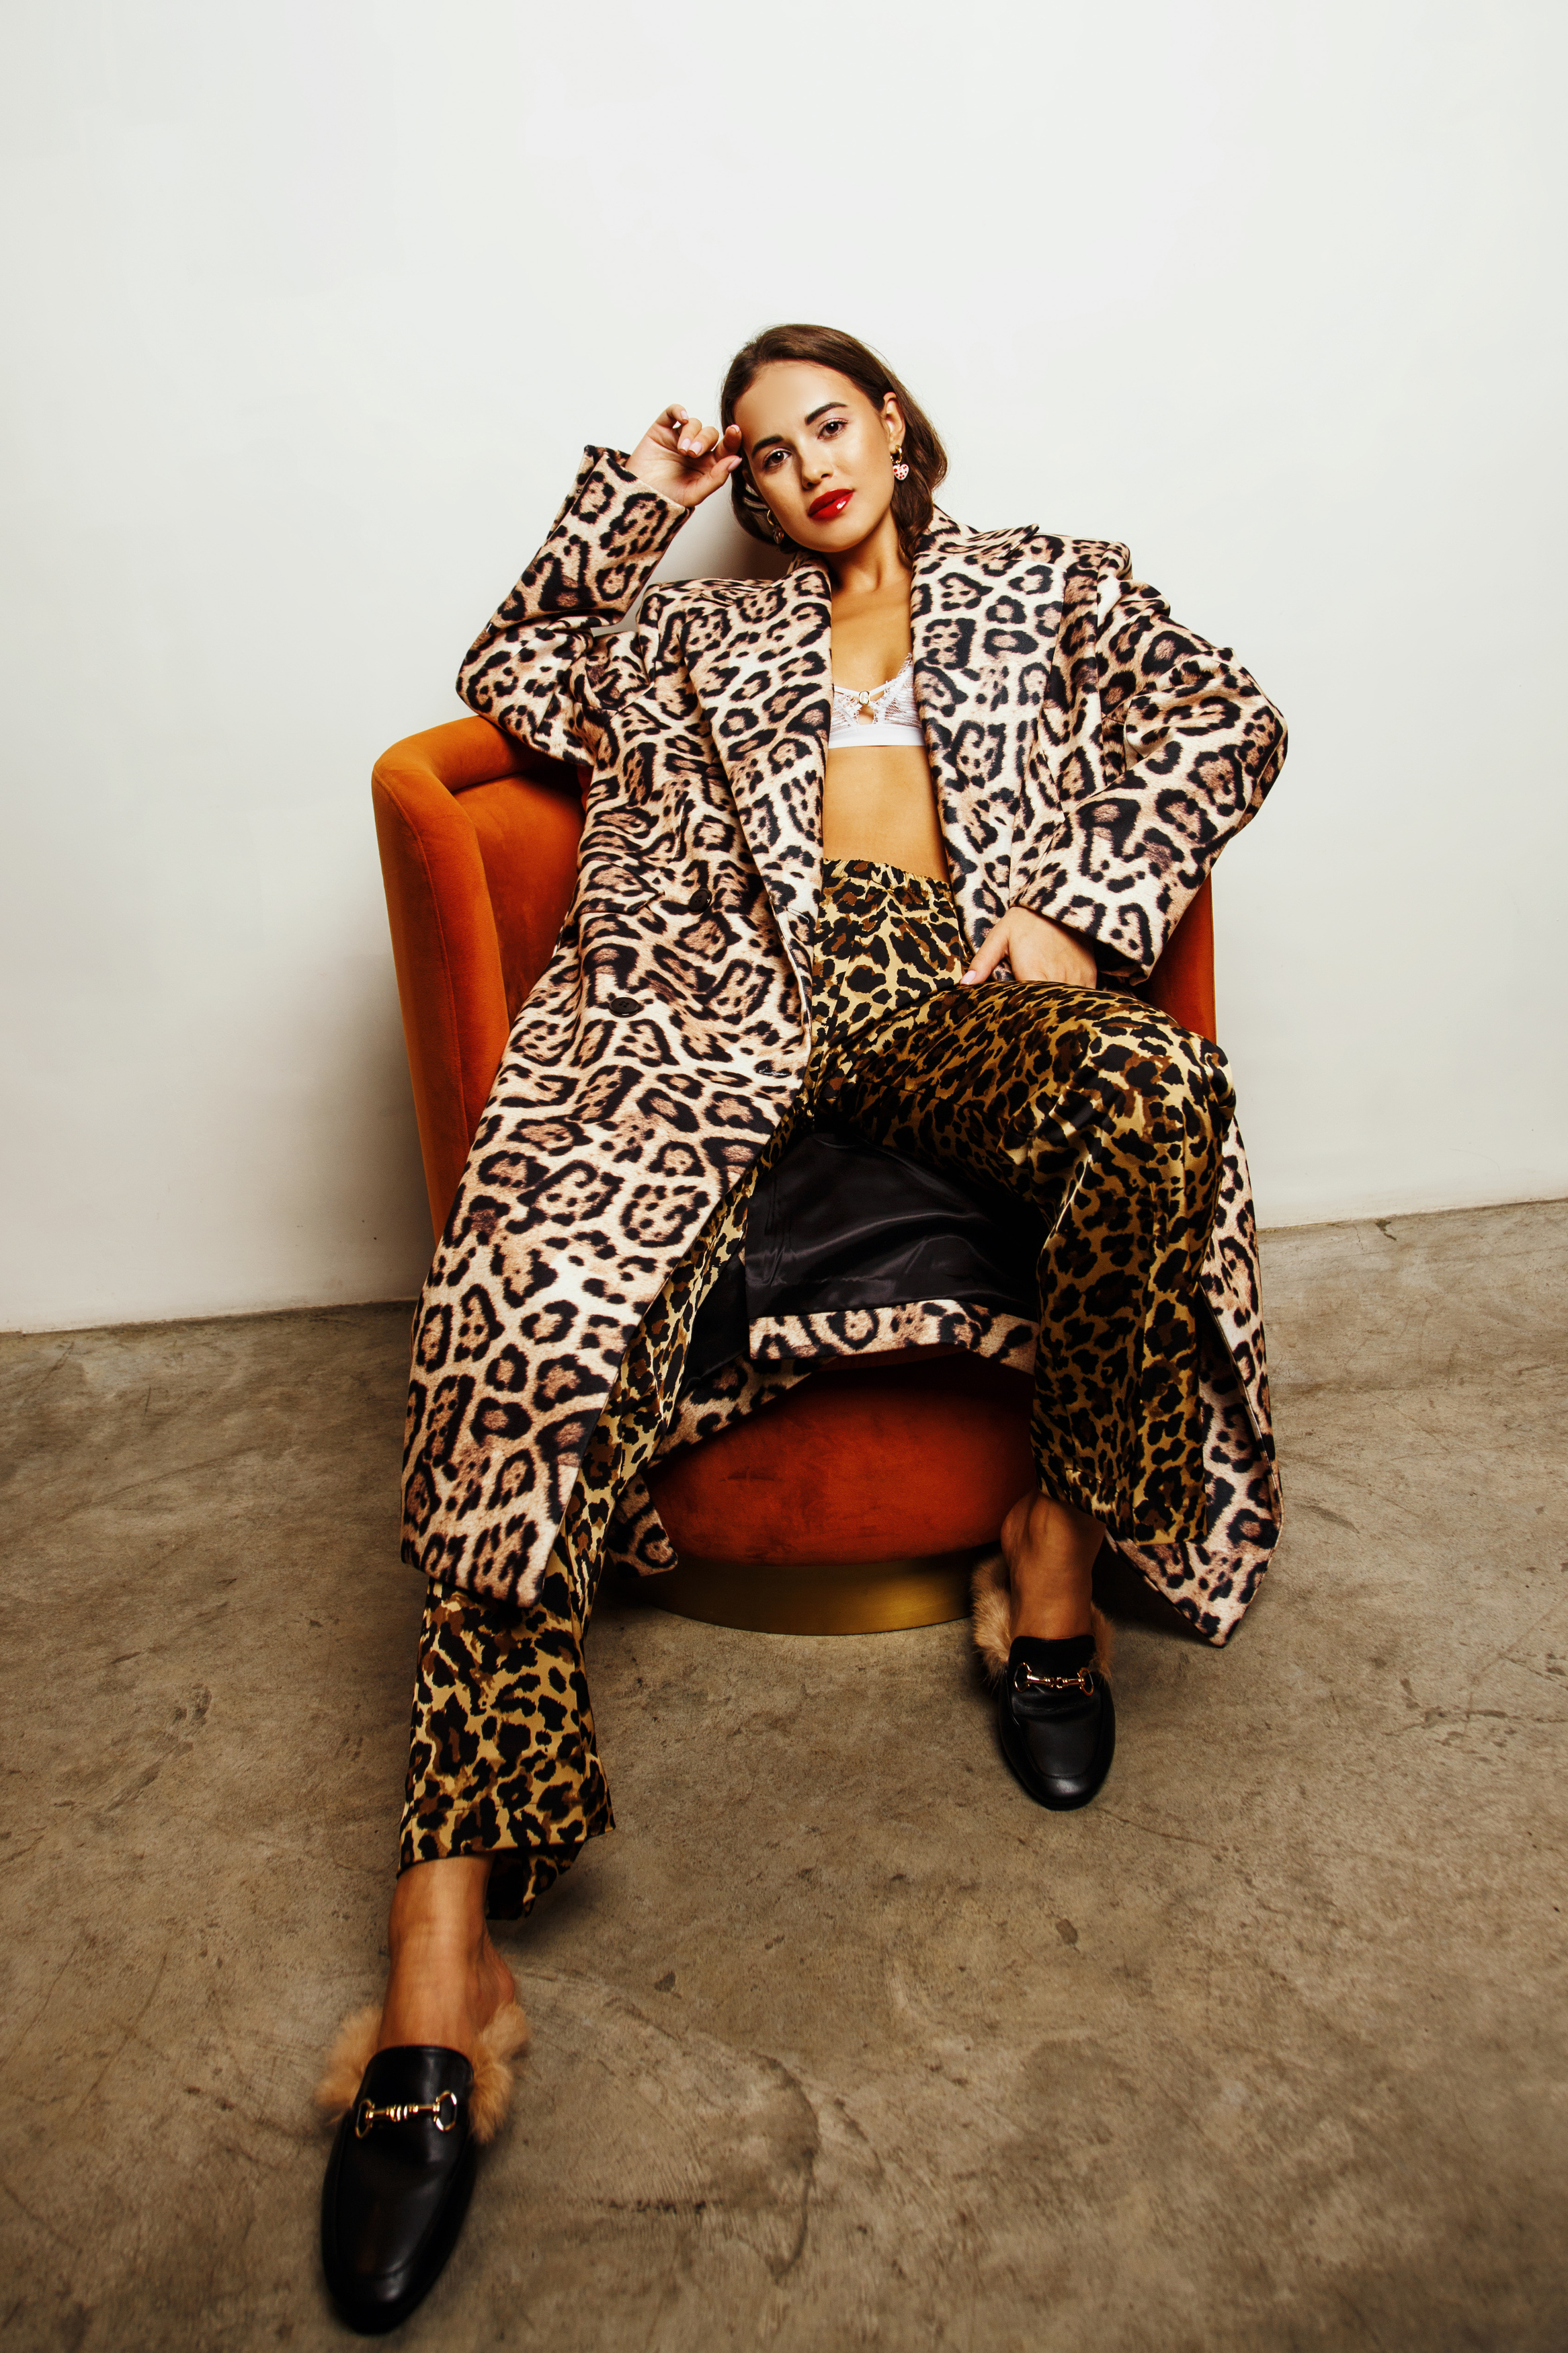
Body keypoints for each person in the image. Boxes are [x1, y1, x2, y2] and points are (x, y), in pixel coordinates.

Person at [317, 324, 1287, 2329]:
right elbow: (513, 672)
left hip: (958, 998)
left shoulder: (1050, 583)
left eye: (827, 423)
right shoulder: (699, 636)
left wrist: (1081, 912)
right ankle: (440, 1952)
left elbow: (1227, 717)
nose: (802, 466)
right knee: (524, 1302)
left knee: (1156, 1097)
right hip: (716, 1026)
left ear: (895, 423)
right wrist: (640, 495)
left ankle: (1055, 1545)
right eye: (761, 453)